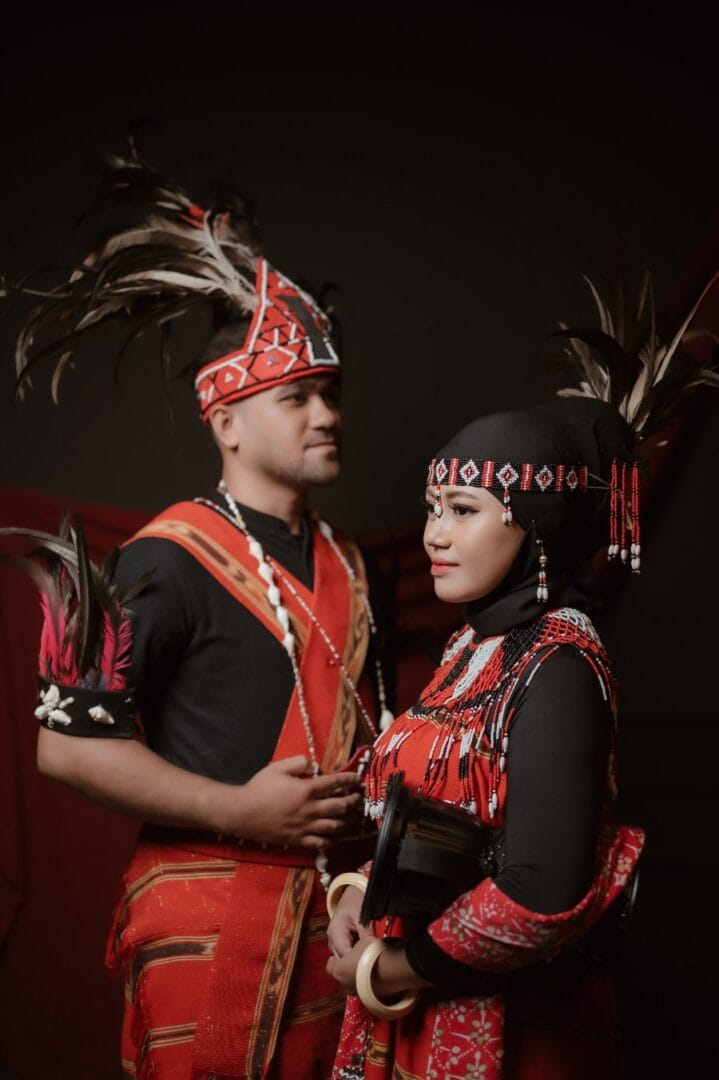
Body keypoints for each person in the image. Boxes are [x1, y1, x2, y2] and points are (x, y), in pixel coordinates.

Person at [6, 146, 391, 1079]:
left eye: (330, 395)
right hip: (210, 918)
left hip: (339, 923)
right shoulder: (164, 559)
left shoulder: (348, 561)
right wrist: (241, 811)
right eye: (295, 398)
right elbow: (67, 747)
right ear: (225, 421)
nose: (325, 415)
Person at [325, 263, 719, 1080]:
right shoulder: (469, 651)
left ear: (534, 525)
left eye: (463, 511)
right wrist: (358, 892)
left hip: (505, 1035)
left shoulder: (560, 663)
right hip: (407, 1020)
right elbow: (444, 831)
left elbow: (543, 888)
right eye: (432, 507)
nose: (434, 534)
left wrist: (394, 969)